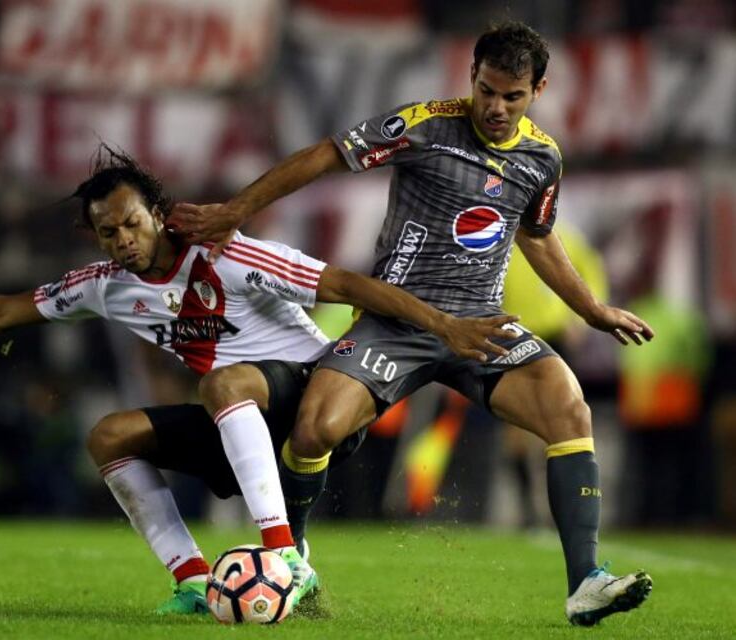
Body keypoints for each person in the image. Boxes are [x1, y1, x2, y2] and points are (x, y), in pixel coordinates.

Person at [0, 147, 515, 614]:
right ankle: (194, 584)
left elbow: (346, 284)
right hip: (240, 423)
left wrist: (445, 326)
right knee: (110, 435)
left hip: (316, 399)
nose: (123, 241)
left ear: (156, 214)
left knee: (223, 383)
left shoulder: (231, 254)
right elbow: (1, 312)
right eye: (107, 233)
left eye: (131, 224)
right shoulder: (105, 285)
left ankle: (283, 558)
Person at [168, 22, 655, 626]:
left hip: (479, 327)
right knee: (314, 430)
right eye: (486, 90)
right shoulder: (424, 125)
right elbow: (326, 154)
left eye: (512, 96)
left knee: (569, 410)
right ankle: (292, 558)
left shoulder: (542, 158)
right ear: (471, 76)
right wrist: (237, 210)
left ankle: (585, 582)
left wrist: (591, 309)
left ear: (538, 91)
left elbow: (536, 234)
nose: (496, 107)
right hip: (397, 320)